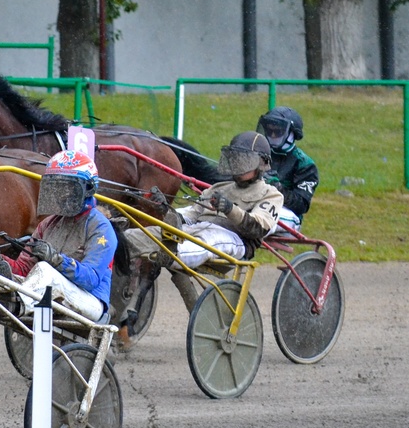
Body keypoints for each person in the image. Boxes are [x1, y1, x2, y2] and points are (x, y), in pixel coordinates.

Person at [124, 131, 284, 312]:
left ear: (261, 164)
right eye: (235, 159)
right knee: (134, 235)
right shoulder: (218, 188)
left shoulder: (271, 194)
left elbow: (258, 227)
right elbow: (192, 215)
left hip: (235, 239)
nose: (238, 165)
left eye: (245, 161)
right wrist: (165, 211)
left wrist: (230, 209)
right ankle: (126, 240)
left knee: (206, 239)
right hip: (197, 228)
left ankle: (172, 252)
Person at [0, 150, 117, 322]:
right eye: (57, 188)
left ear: (88, 188)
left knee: (46, 270)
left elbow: (91, 279)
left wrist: (56, 259)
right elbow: (24, 269)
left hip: (91, 301)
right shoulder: (48, 224)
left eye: (68, 188)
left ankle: (14, 307)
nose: (61, 194)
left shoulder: (100, 227)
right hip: (53, 292)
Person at [256, 106, 319, 234]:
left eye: (278, 131)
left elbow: (301, 205)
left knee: (255, 219)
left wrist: (277, 187)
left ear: (292, 133)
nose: (272, 135)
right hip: (257, 205)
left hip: (288, 214)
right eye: (269, 131)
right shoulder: (259, 154)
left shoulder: (305, 164)